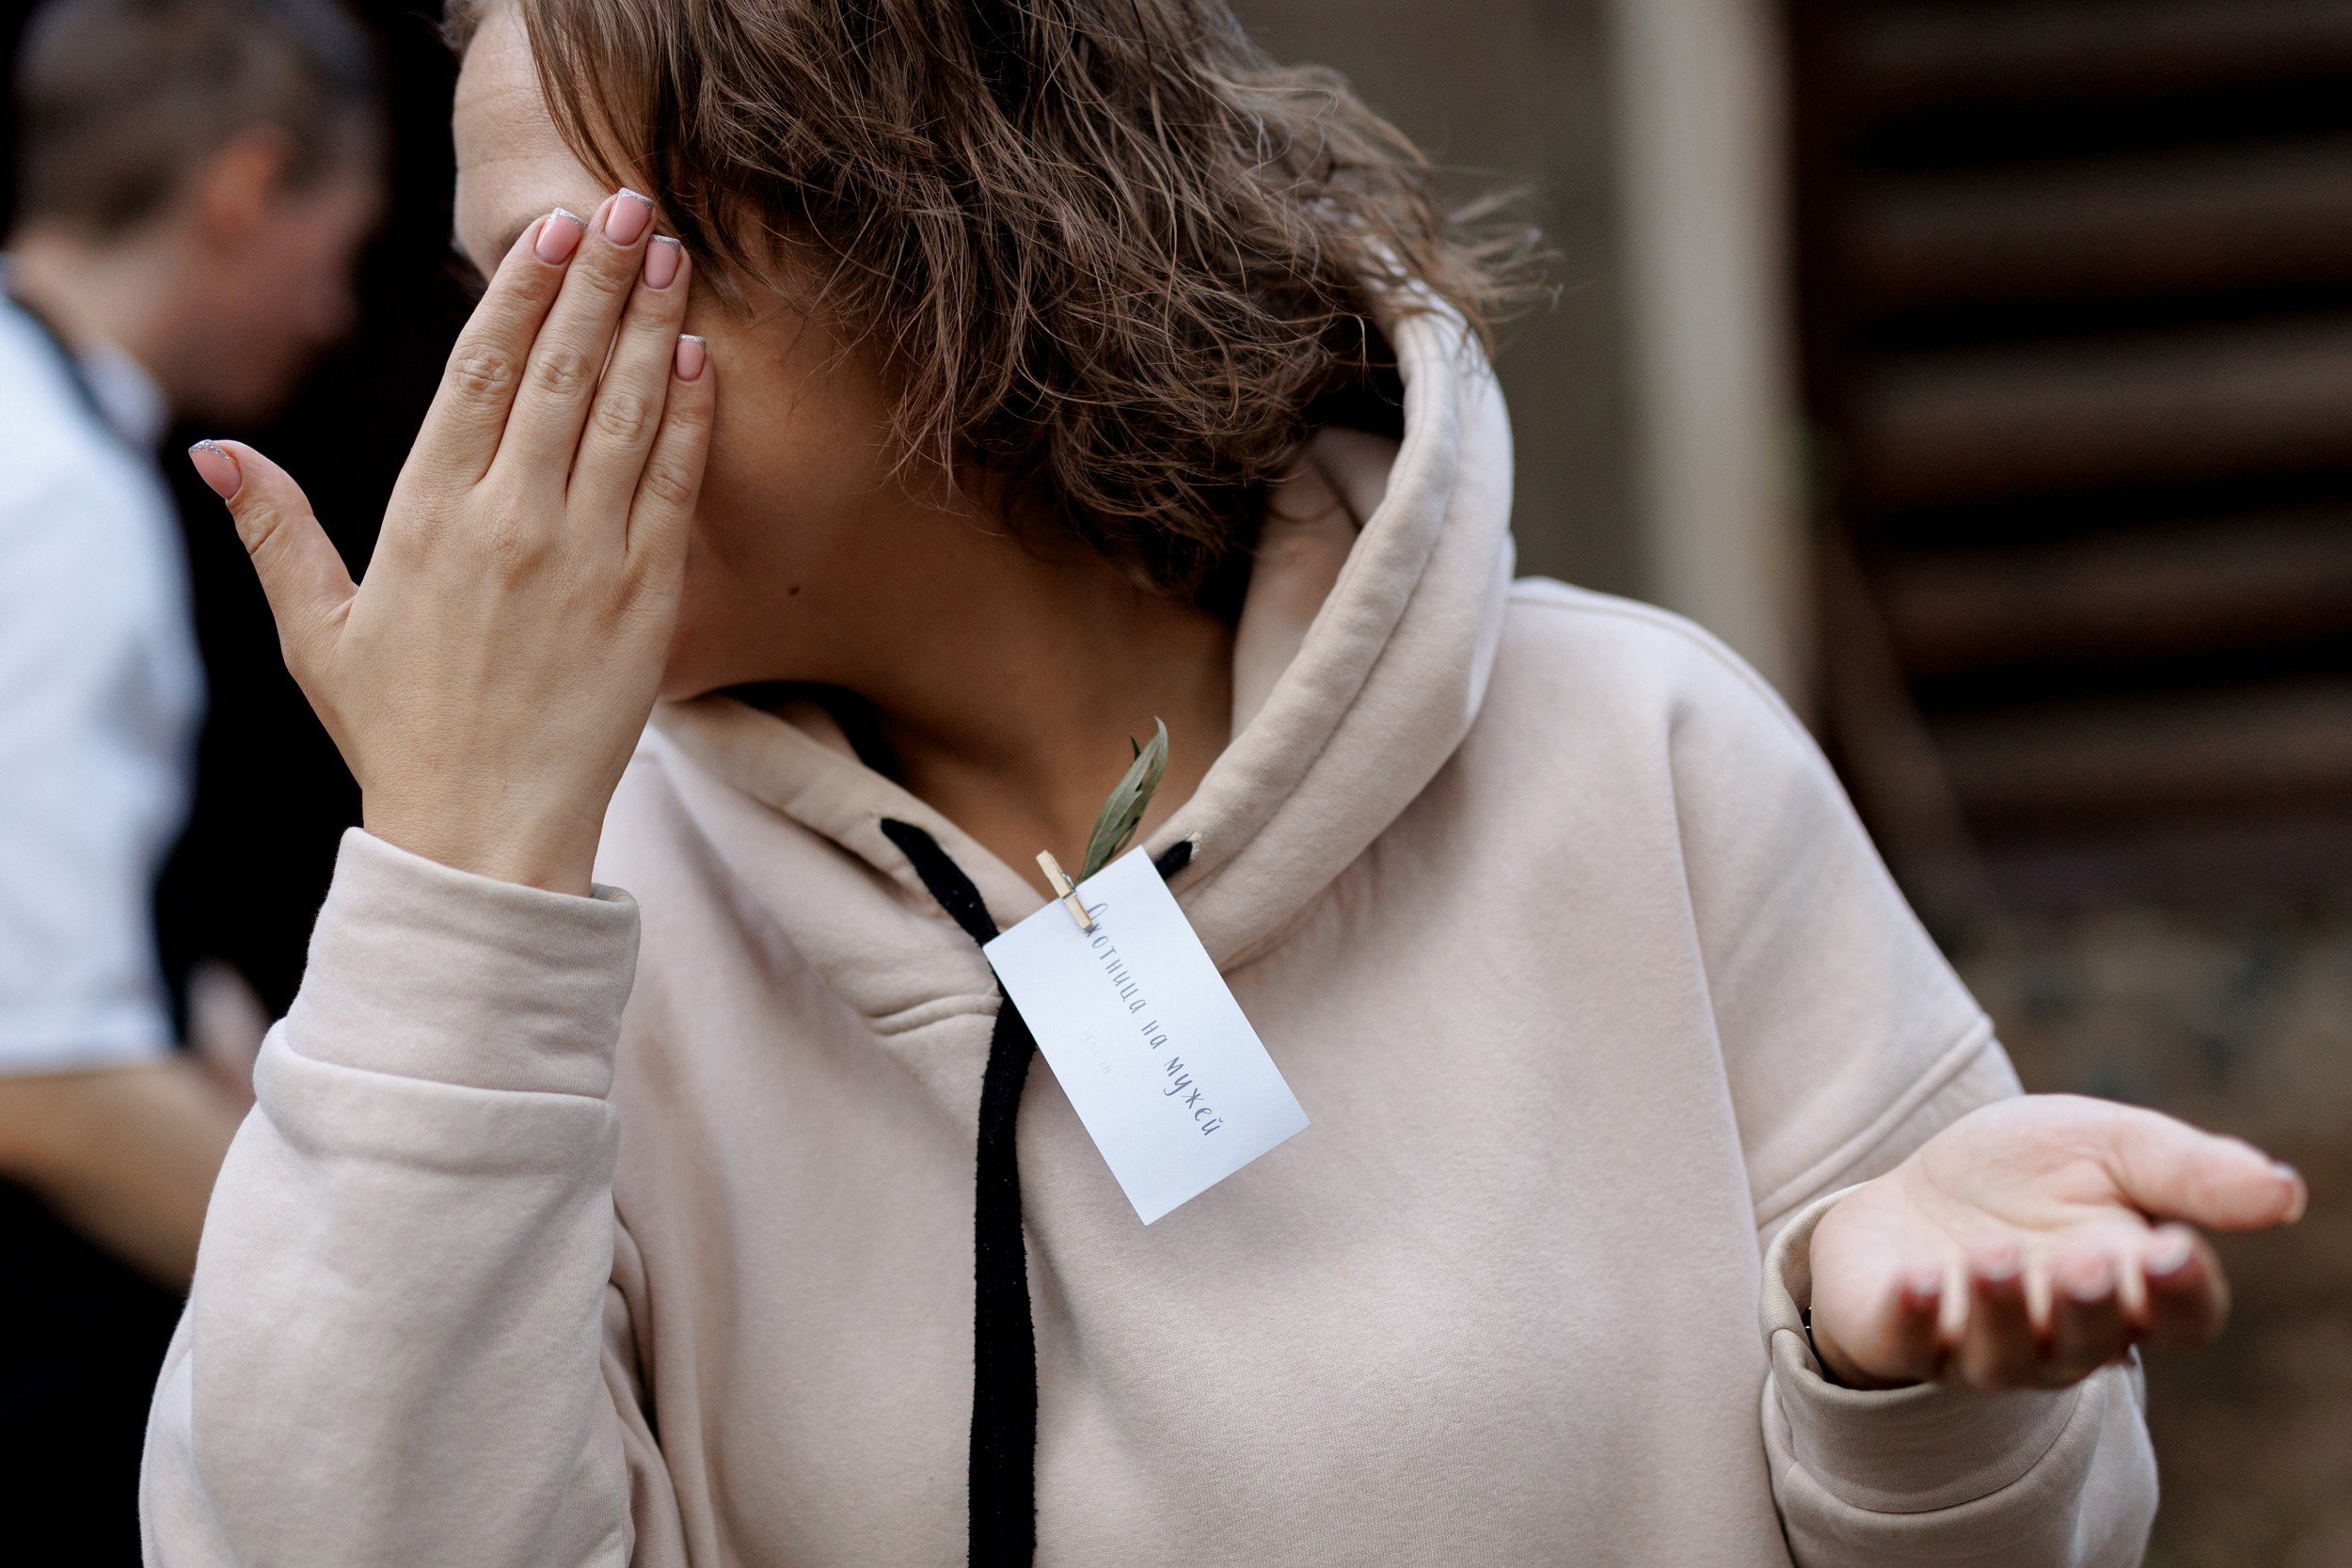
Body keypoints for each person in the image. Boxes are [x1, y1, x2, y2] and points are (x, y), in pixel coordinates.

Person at [145, 2, 2305, 1563]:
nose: (486, 409)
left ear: (942, 241)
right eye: (475, 298)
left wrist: (1892, 1388)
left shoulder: (1638, 760)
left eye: (583, 279)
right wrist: (453, 882)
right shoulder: (542, 941)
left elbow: (2039, 1541)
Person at [0, 0, 379, 1555]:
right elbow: (45, 1081)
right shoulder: (58, 498)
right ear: (244, 189)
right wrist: (383, 1305)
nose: (336, 311)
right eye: (338, 246)